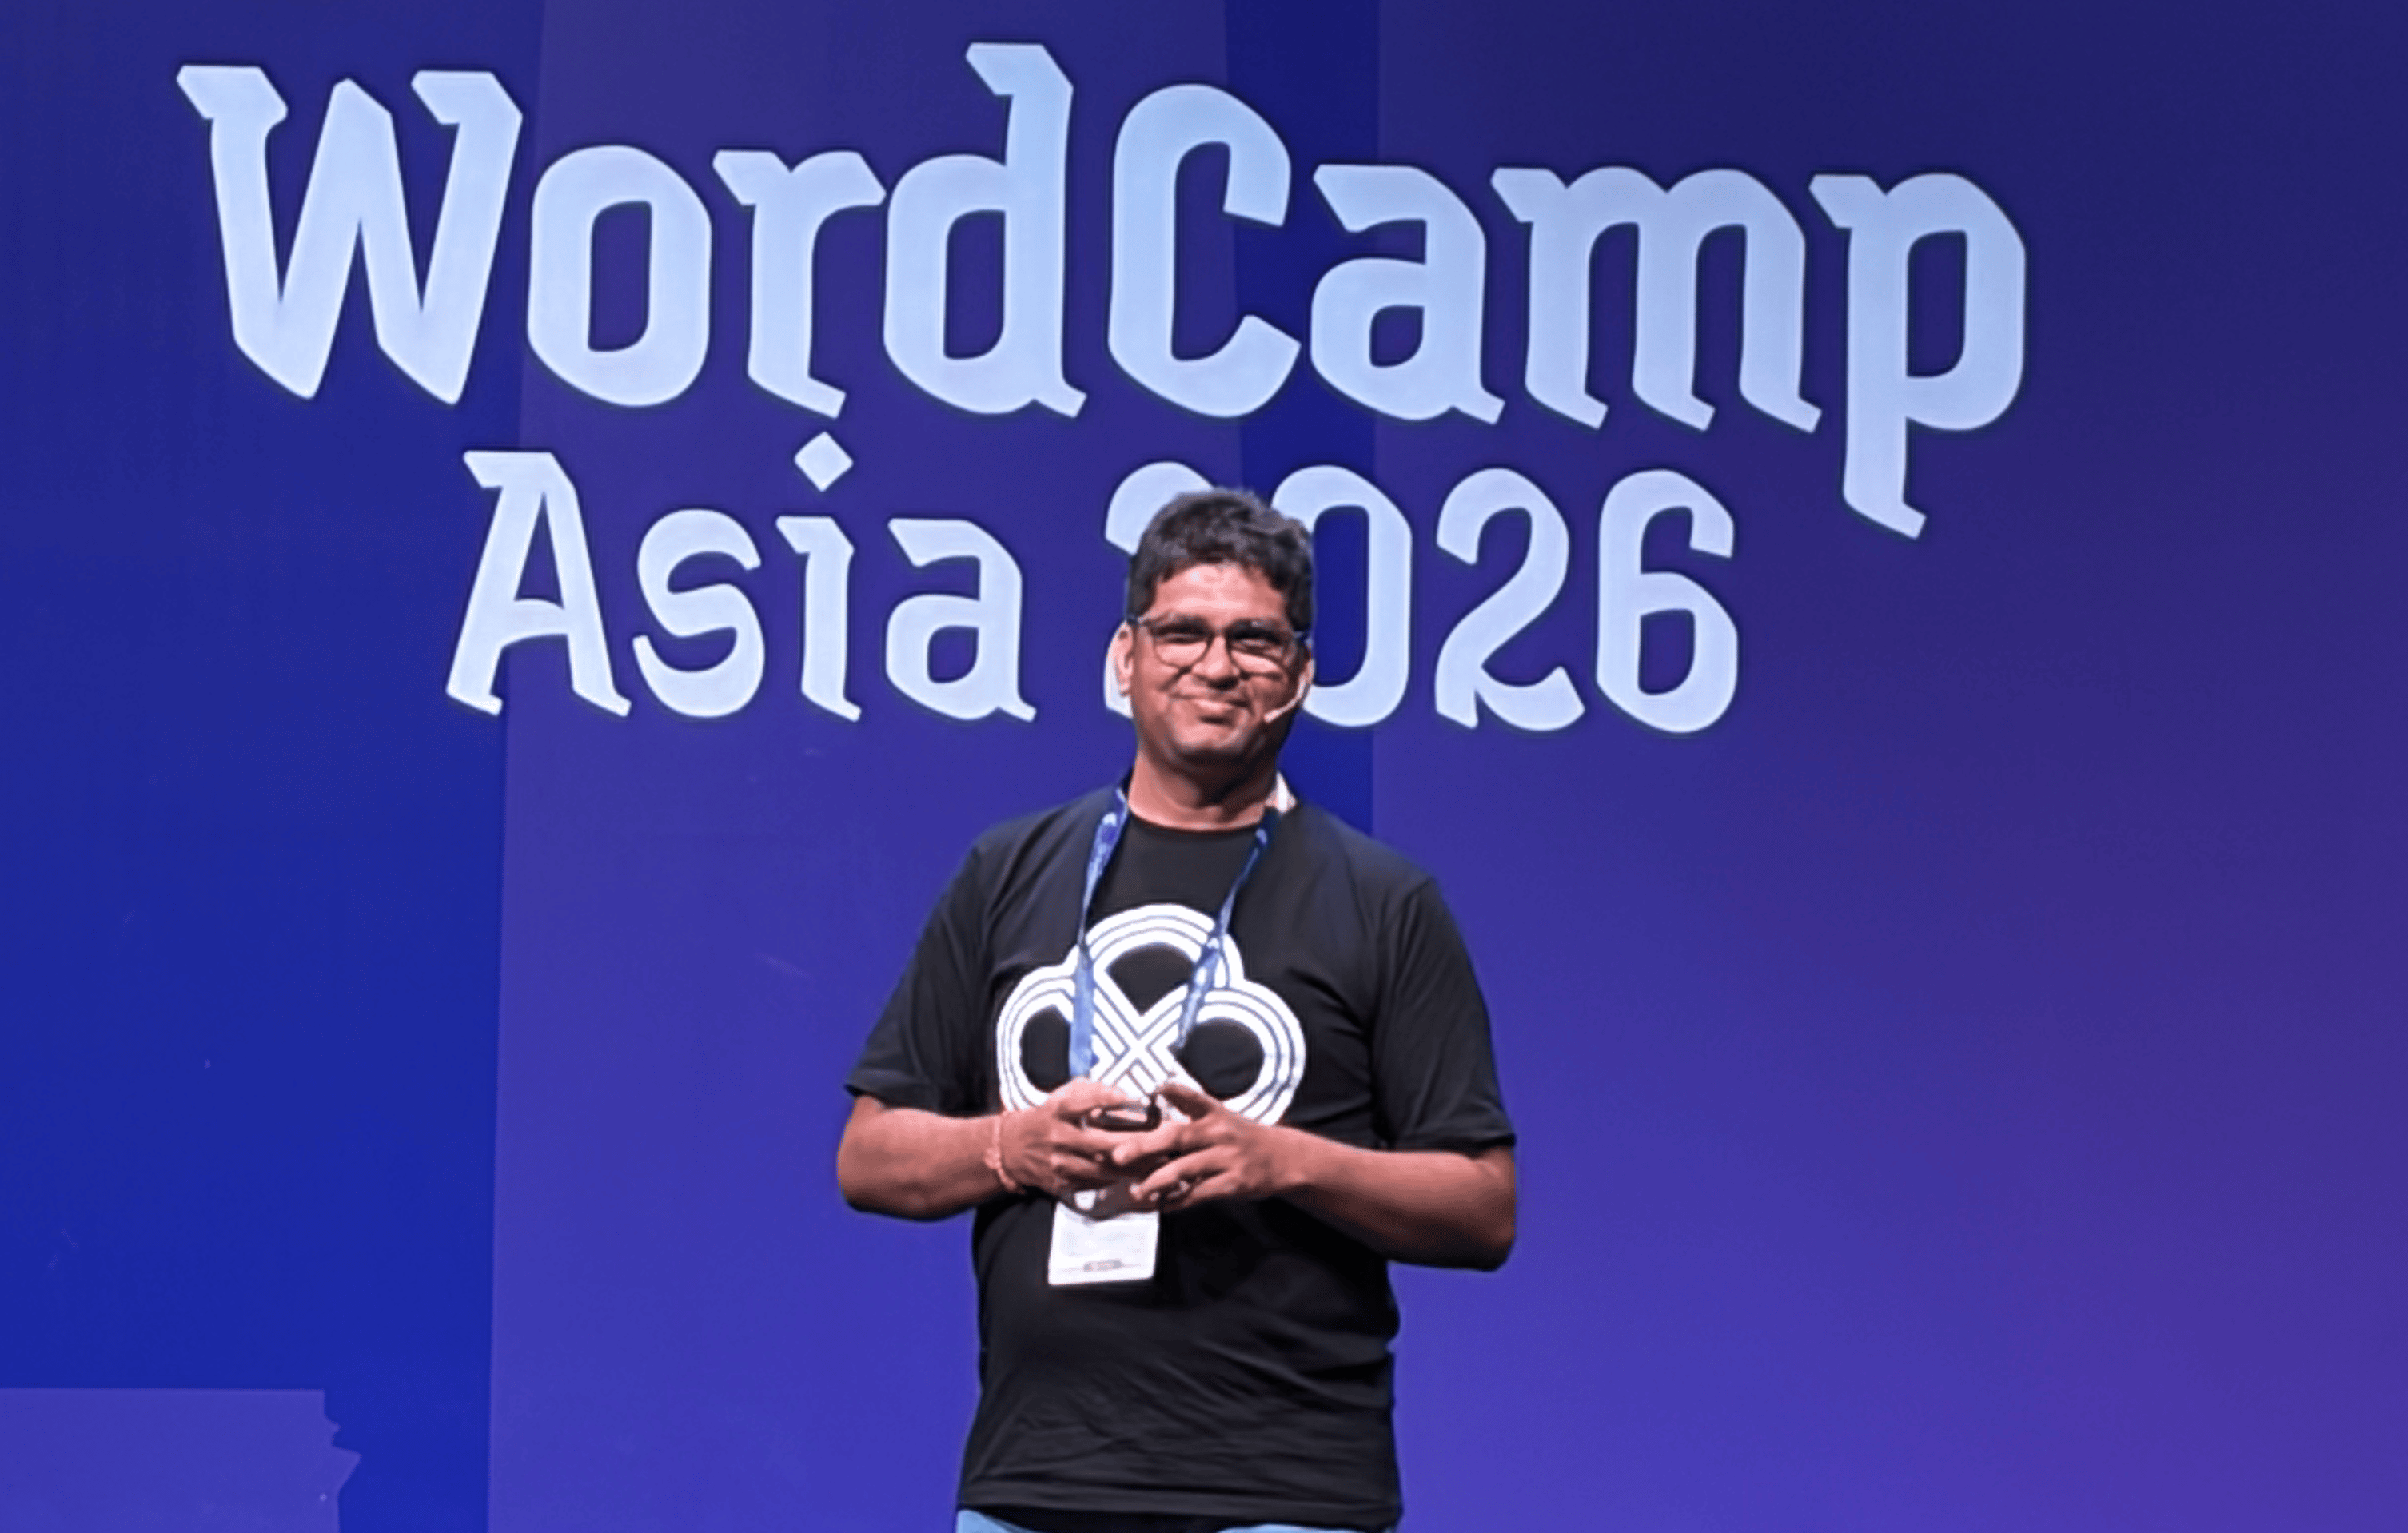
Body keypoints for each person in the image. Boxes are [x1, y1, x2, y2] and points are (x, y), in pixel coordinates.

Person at [839, 489, 1516, 1533]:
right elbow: (870, 1155)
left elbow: (1482, 1206)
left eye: (1255, 638)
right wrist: (1014, 1145)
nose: (1216, 663)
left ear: (1300, 673)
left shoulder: (1386, 901)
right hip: (1038, 1481)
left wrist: (1284, 1159)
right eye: (1182, 632)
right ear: (1125, 656)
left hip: (1291, 1489)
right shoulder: (1008, 870)